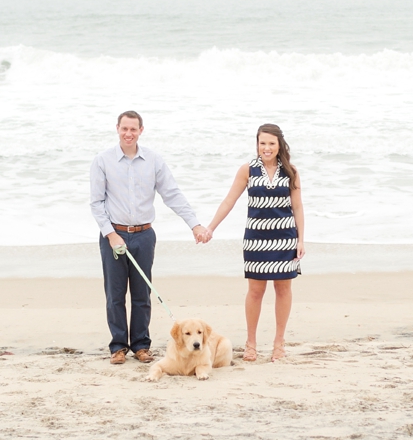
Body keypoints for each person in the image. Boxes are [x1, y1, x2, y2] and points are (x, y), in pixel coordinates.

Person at [88, 111, 211, 365]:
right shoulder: (102, 161)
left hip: (144, 235)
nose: (128, 133)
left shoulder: (153, 160)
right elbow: (97, 203)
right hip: (114, 236)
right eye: (124, 129)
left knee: (143, 293)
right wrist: (111, 235)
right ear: (117, 129)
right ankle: (119, 346)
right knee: (115, 294)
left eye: (133, 129)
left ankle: (141, 345)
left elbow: (172, 194)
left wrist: (194, 225)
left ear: (141, 130)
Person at [206, 123, 306, 362]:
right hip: (256, 240)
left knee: (283, 289)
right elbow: (229, 201)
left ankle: (278, 344)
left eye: (271, 143)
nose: (267, 148)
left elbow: (298, 206)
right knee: (255, 291)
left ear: (279, 144)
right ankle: (251, 344)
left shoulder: (290, 171)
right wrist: (210, 227)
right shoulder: (248, 170)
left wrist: (301, 239)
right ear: (257, 144)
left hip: (285, 239)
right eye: (262, 143)